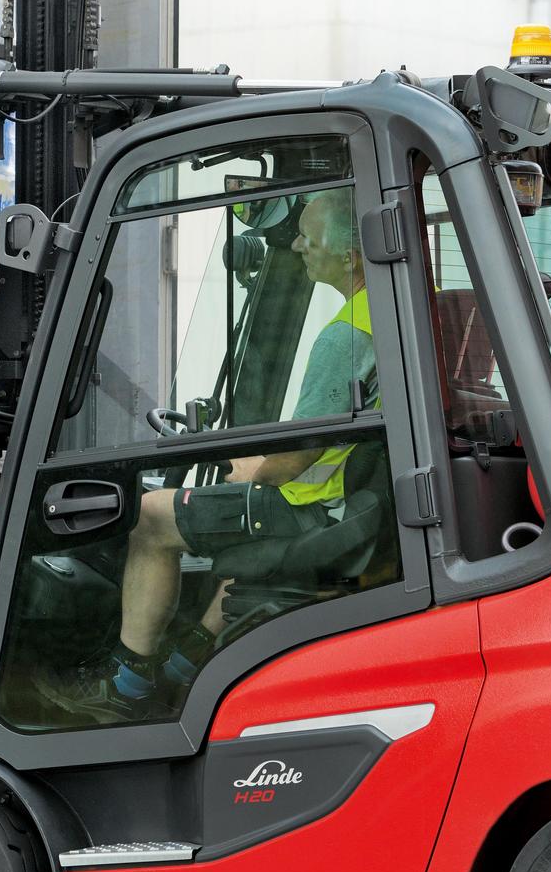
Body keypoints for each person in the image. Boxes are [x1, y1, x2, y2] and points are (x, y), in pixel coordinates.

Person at [50, 186, 376, 721]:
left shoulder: (344, 337)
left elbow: (293, 459)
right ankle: (182, 672)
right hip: (345, 505)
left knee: (151, 519)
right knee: (236, 537)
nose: (295, 245)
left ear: (348, 256)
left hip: (314, 506)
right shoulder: (386, 314)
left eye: (306, 237)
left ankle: (125, 685)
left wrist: (244, 466)